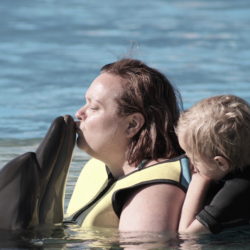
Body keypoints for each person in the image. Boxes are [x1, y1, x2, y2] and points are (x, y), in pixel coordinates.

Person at [65, 58, 191, 232]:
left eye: (94, 107)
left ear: (132, 124)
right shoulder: (100, 166)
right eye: (86, 102)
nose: (79, 113)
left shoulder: (151, 192)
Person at [176, 95, 250, 234]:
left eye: (194, 158)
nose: (188, 161)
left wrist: (199, 180)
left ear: (220, 163)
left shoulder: (237, 189)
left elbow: (188, 234)